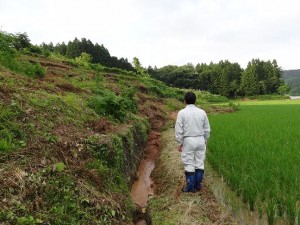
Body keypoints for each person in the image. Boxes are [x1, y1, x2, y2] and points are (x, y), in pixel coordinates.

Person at [175, 92, 211, 192]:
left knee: (189, 163)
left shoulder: (182, 113)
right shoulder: (202, 112)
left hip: (188, 140)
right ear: (195, 100)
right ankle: (198, 185)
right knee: (199, 162)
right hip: (200, 139)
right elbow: (207, 129)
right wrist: (205, 140)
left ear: (185, 101)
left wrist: (180, 142)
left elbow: (178, 130)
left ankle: (190, 187)